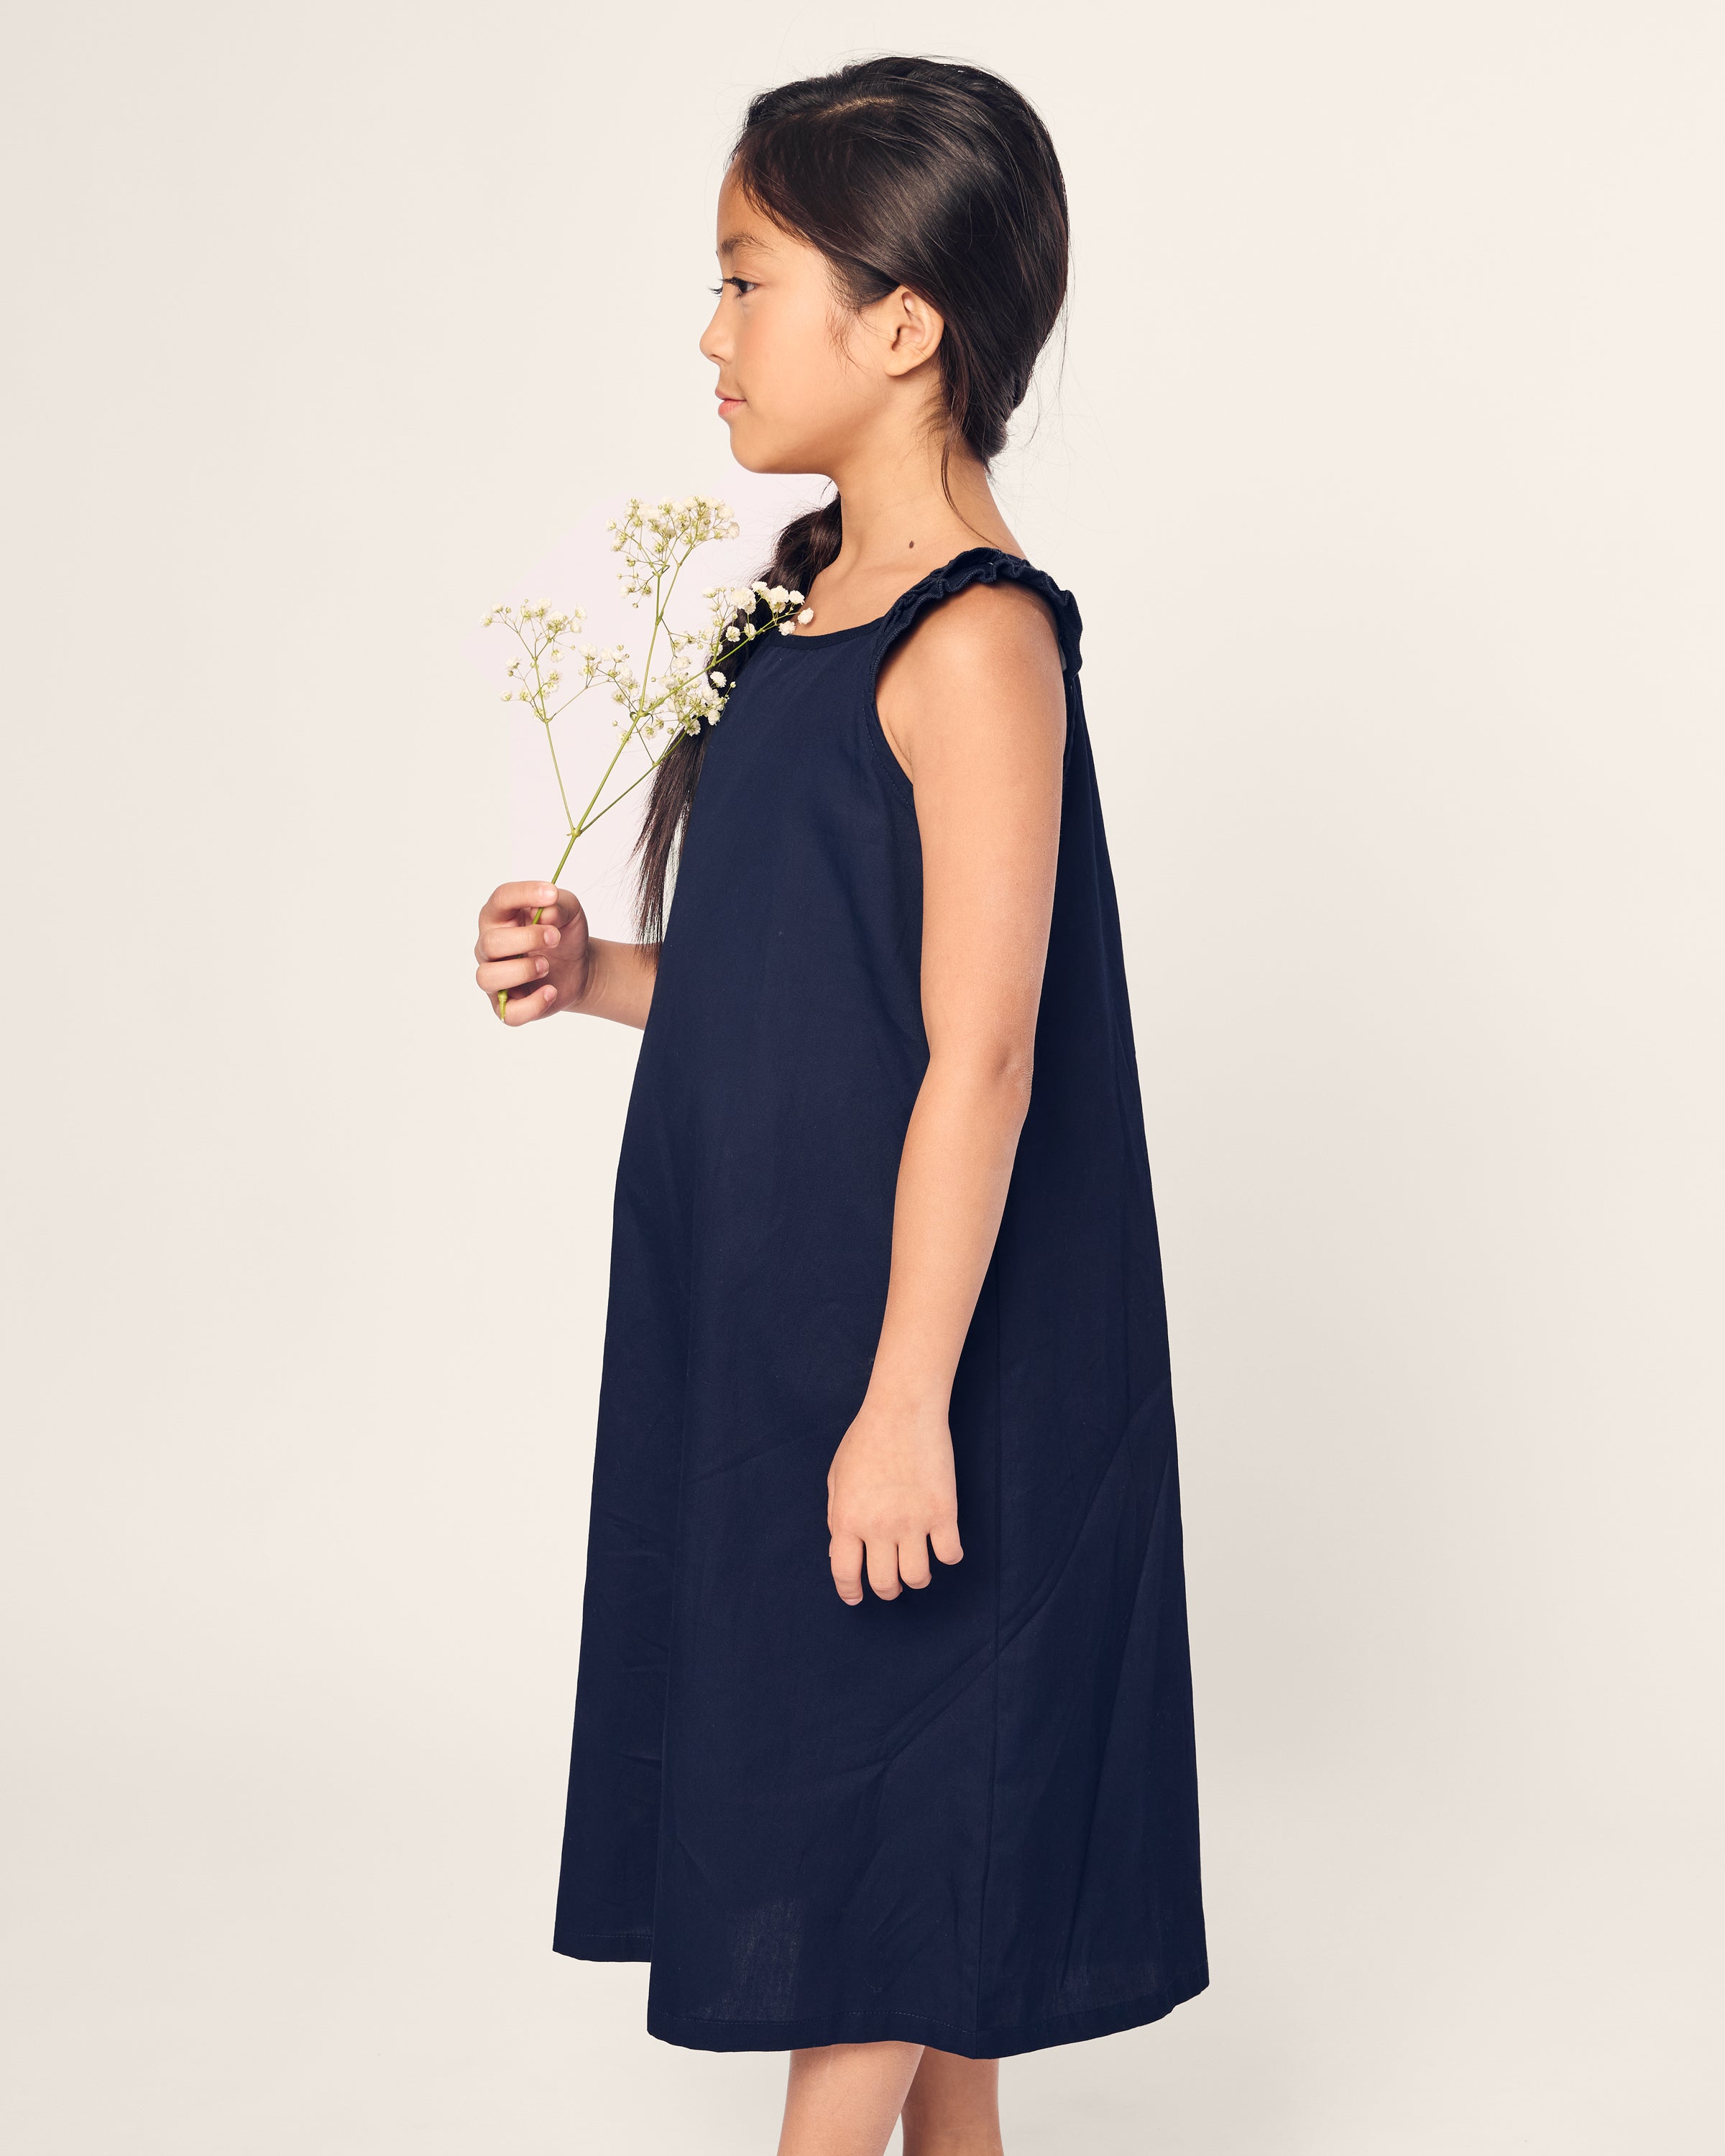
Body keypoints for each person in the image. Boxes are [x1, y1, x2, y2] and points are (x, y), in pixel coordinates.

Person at [473, 55, 1208, 2156]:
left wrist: (901, 1402)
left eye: (746, 280)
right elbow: (819, 1006)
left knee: (884, 1878)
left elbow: (983, 1053)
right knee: (923, 1903)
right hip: (785, 1340)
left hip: (922, 1358)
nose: (711, 336)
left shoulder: (982, 646)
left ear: (904, 328)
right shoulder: (800, 615)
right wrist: (601, 972)